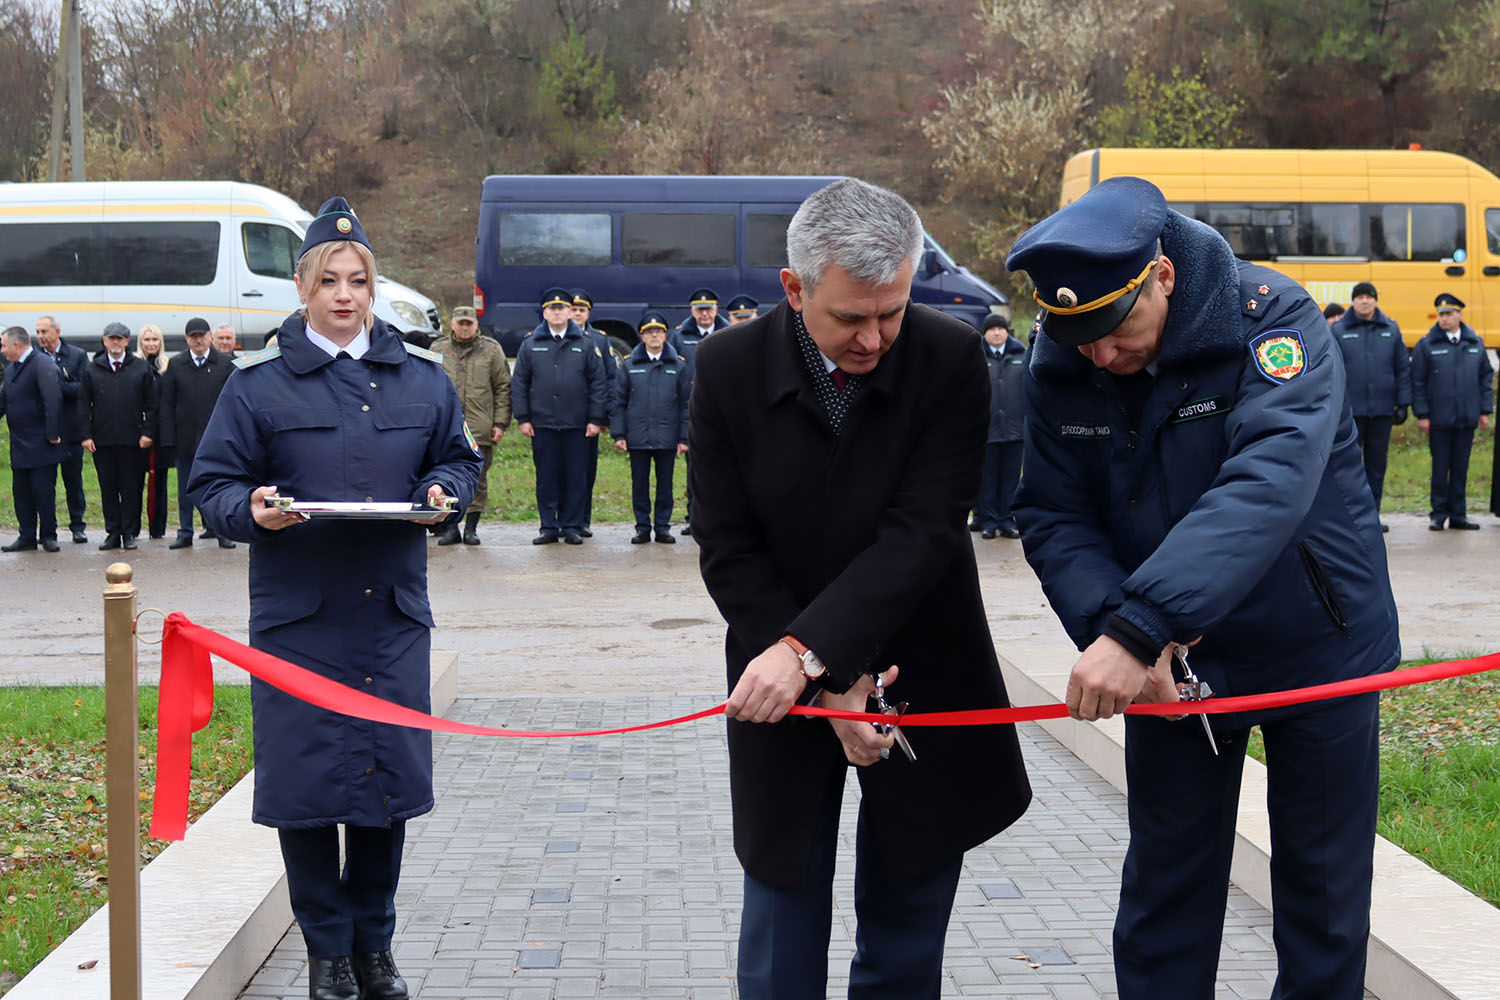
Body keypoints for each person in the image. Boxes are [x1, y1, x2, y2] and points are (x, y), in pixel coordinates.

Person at [1007, 176, 1400, 1000]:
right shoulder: (1065, 354)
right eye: (1082, 341)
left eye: (1117, 333)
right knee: (1166, 894)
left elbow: (1267, 480)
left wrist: (1140, 624)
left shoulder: (1273, 320)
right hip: (1172, 664)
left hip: (1316, 643)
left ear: (1163, 278)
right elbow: (1053, 511)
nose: (1101, 359)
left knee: (1323, 898)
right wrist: (1115, 628)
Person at [691, 178, 1031, 1000]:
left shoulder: (950, 359)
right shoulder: (730, 368)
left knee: (909, 921)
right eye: (851, 317)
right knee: (781, 907)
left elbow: (923, 533)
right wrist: (818, 673)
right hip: (779, 670)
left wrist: (822, 655)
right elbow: (727, 545)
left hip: (922, 658)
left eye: (893, 311)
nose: (875, 338)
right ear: (794, 287)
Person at [188, 197, 481, 1000]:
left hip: (389, 619)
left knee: (385, 787)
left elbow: (460, 463)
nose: (344, 295)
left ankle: (374, 948)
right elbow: (211, 483)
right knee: (310, 791)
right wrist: (250, 510)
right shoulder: (257, 388)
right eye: (328, 280)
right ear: (301, 287)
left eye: (358, 280)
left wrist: (442, 492)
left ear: (372, 288)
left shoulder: (421, 381)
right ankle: (326, 952)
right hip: (299, 623)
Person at [509, 287, 608, 545]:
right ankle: (549, 526)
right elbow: (519, 383)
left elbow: (598, 383)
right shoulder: (530, 344)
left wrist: (596, 419)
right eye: (552, 309)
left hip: (577, 424)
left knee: (576, 477)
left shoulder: (585, 344)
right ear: (544, 313)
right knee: (547, 477)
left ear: (568, 312)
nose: (557, 312)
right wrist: (523, 418)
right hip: (542, 424)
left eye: (561, 308)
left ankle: (572, 526)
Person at [429, 305, 511, 545]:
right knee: (443, 477)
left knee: (478, 479)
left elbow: (503, 387)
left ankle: (472, 528)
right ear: (452, 325)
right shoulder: (438, 349)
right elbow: (427, 386)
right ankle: (450, 527)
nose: (464, 328)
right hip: (445, 427)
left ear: (476, 325)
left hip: (479, 427)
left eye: (469, 323)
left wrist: (500, 423)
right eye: (460, 323)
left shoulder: (491, 350)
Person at [1333, 281, 1410, 531]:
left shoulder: (1391, 329)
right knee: (1350, 467)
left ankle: (1372, 516)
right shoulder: (1339, 330)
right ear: (1352, 301)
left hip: (1382, 412)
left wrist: (1403, 402)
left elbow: (1402, 368)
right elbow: (1332, 371)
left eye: (1369, 296)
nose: (1365, 301)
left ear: (1376, 301)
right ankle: (1351, 519)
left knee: (1376, 467)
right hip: (1350, 414)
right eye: (1360, 297)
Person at [1412, 292, 1492, 530]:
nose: (1444, 319)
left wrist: (1485, 410)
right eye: (1441, 315)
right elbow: (1418, 381)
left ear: (1460, 315)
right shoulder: (1427, 345)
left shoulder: (1474, 343)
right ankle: (1438, 514)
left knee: (1461, 467)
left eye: (1449, 314)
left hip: (1466, 417)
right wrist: (1422, 414)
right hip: (1439, 418)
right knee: (1440, 467)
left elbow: (1485, 378)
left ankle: (1458, 514)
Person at [79, 323, 158, 551]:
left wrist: (147, 433)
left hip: (133, 442)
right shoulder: (93, 369)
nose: (115, 342)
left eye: (120, 339)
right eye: (111, 338)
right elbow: (83, 405)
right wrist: (85, 435)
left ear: (126, 341)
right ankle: (113, 532)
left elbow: (153, 405)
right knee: (108, 488)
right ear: (104, 341)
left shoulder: (141, 368)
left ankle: (130, 533)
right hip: (103, 442)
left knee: (132, 488)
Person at [611, 311, 689, 544]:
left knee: (666, 486)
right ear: (642, 337)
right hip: (637, 436)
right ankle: (642, 527)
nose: (654, 336)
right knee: (640, 485)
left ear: (666, 336)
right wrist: (619, 433)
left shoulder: (678, 366)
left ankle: (663, 527)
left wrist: (684, 437)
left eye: (658, 332)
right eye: (649, 332)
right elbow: (618, 402)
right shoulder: (628, 366)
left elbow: (685, 404)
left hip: (667, 436)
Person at [159, 317, 236, 549]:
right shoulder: (177, 364)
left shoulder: (224, 363)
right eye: (193, 337)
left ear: (210, 337)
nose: (198, 340)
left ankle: (219, 530)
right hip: (185, 439)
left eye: (202, 336)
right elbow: (167, 404)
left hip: (217, 440)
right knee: (185, 490)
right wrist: (168, 437)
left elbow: (234, 403)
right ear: (187, 339)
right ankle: (185, 531)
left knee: (218, 488)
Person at [0, 326, 67, 552]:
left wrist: (52, 433)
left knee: (43, 493)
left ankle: (48, 535)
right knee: (22, 494)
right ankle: (26, 535)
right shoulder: (12, 369)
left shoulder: (42, 365)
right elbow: (4, 401)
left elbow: (53, 400)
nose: (2, 350)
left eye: (3, 345)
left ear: (16, 345)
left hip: (42, 443)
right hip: (20, 444)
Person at [671, 287, 728, 536]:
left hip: (724, 410)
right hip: (693, 410)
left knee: (725, 468)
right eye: (699, 310)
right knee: (695, 468)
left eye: (709, 309)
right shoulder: (679, 337)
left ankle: (723, 518)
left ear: (716, 310)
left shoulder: (729, 332)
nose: (704, 314)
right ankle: (693, 517)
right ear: (692, 312)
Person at [33, 314, 89, 543]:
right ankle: (48, 531)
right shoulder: (35, 358)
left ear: (57, 331)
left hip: (71, 430)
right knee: (46, 485)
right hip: (45, 432)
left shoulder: (77, 355)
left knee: (73, 482)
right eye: (37, 332)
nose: (40, 337)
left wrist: (56, 387)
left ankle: (78, 525)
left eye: (44, 332)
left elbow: (84, 389)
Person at [569, 289, 618, 538]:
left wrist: (605, 416)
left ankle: (583, 520)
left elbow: (611, 378)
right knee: (561, 472)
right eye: (574, 309)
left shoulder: (599, 340)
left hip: (590, 416)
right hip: (563, 414)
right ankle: (561, 519)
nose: (577, 314)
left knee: (586, 471)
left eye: (582, 310)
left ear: (589, 313)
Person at [975, 315, 1026, 539]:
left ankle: (1007, 520)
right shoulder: (976, 355)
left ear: (1008, 332)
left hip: (1014, 429)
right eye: (992, 329)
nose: (996, 333)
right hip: (986, 430)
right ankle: (988, 521)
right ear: (984, 333)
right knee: (987, 478)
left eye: (1000, 329)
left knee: (1011, 479)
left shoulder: (1021, 355)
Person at [136, 324, 172, 539]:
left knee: (159, 483)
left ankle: (157, 528)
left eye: (154, 340)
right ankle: (133, 527)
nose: (151, 344)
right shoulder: (135, 365)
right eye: (147, 340)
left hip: (160, 434)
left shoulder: (168, 366)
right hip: (139, 433)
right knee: (136, 482)